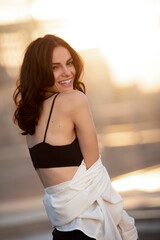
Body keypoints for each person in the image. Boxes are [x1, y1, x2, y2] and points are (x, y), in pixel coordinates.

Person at [13, 34, 139, 240]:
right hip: (90, 227)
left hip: (63, 230)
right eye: (55, 67)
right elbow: (96, 174)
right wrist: (127, 227)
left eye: (69, 63)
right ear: (39, 71)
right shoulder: (74, 100)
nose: (67, 72)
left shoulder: (29, 115)